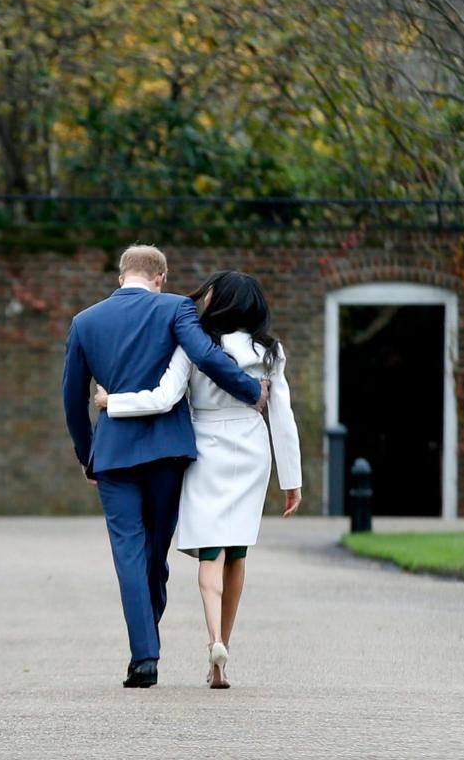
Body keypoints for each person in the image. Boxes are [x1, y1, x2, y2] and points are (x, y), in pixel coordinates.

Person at [62, 246, 268, 688]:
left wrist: (86, 454)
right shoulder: (175, 307)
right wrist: (250, 391)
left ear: (121, 277)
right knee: (156, 552)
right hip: (167, 452)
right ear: (161, 277)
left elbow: (72, 398)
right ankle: (147, 645)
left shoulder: (85, 322)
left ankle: (144, 655)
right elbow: (207, 358)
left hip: (114, 453)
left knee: (129, 552)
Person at [96, 271, 302, 689]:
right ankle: (223, 647)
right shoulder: (269, 351)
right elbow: (284, 419)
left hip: (206, 446)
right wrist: (291, 480)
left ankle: (213, 639)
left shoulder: (196, 344)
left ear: (218, 301)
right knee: (237, 550)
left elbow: (164, 397)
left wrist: (110, 401)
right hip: (251, 446)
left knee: (211, 551)